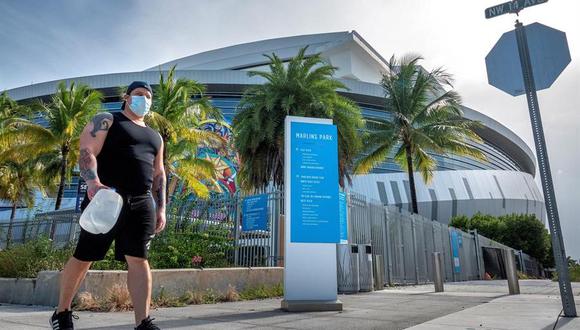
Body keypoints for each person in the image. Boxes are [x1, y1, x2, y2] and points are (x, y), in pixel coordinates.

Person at [50, 81, 166, 330]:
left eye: (148, 96)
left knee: (139, 259)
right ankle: (62, 313)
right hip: (106, 199)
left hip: (142, 201)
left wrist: (161, 208)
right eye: (139, 94)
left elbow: (159, 173)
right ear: (126, 97)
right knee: (84, 256)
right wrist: (93, 183)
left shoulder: (155, 137)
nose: (144, 99)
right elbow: (87, 151)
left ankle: (143, 323)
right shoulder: (108, 119)